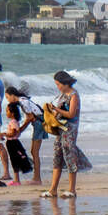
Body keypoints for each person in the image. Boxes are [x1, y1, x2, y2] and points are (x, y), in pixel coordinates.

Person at [44, 70, 90, 198]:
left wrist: (56, 109)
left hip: (70, 130)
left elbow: (71, 114)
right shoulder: (62, 95)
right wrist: (52, 112)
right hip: (61, 129)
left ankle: (72, 189)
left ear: (65, 83)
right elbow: (60, 113)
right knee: (57, 157)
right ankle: (53, 189)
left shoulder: (74, 95)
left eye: (58, 84)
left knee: (69, 156)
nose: (57, 87)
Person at [4, 84, 45, 185]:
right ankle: (36, 177)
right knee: (34, 151)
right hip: (40, 123)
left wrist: (21, 130)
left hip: (39, 124)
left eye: (7, 97)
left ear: (12, 95)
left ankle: (37, 178)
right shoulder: (23, 100)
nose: (8, 100)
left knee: (34, 152)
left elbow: (30, 117)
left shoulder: (23, 102)